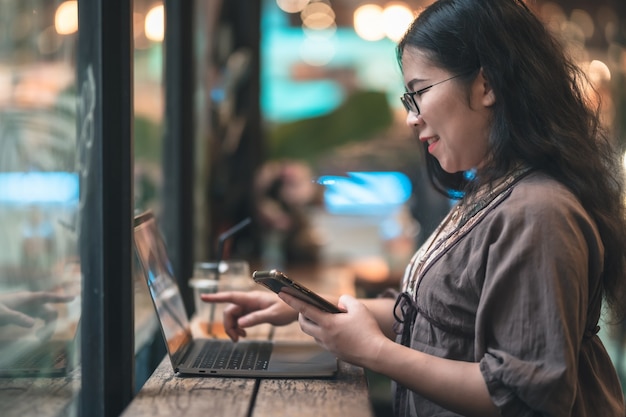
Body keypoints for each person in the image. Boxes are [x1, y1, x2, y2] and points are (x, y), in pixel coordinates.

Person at [202, 0, 626, 415]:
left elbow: (522, 397)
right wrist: (312, 305)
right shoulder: (491, 190)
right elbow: (432, 318)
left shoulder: (538, 210)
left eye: (419, 92)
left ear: (486, 85)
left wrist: (373, 351)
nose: (411, 117)